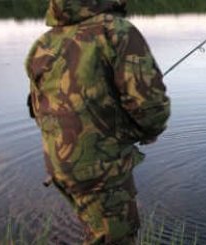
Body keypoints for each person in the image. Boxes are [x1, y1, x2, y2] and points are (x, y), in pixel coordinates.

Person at [25, 0, 170, 244]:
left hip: (60, 165)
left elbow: (37, 109)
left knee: (96, 233)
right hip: (101, 167)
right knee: (117, 238)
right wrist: (147, 132)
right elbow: (150, 106)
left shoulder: (43, 44)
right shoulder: (117, 31)